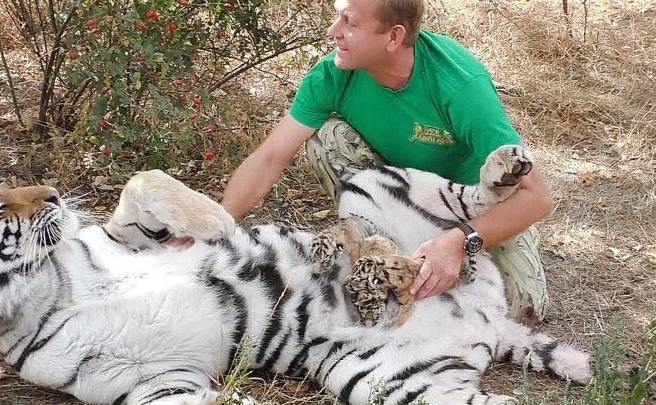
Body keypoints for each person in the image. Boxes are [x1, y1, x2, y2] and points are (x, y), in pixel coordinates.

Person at [221, 0, 552, 323]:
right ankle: (380, 248)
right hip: (400, 201)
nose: (333, 31)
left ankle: (479, 247)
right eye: (338, 18)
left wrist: (460, 241)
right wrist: (213, 230)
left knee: (520, 313)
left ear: (393, 37)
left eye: (350, 23)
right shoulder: (332, 76)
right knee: (328, 139)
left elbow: (537, 198)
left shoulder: (460, 85)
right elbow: (268, 159)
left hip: (474, 208)